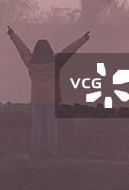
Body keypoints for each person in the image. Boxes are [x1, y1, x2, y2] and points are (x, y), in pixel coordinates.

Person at [6, 26, 89, 158]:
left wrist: (13, 35)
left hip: (37, 99)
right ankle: (52, 152)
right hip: (52, 100)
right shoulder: (56, 62)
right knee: (52, 128)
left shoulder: (30, 62)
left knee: (36, 128)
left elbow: (22, 48)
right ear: (49, 50)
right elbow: (69, 50)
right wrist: (83, 39)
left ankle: (34, 152)